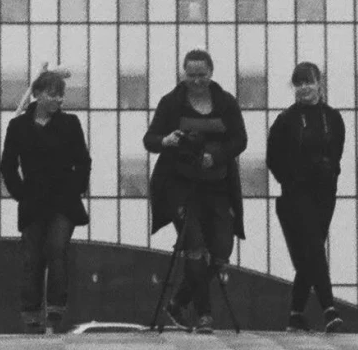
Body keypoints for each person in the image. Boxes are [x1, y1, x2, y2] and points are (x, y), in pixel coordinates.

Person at [143, 49, 248, 331]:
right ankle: (204, 315)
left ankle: (178, 302)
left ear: (211, 72)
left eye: (202, 75)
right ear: (183, 74)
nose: (197, 81)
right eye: (191, 76)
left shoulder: (225, 102)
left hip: (217, 185)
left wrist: (217, 156)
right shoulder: (172, 103)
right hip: (180, 185)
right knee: (194, 248)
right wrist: (167, 140)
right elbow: (150, 139)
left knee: (220, 251)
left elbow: (240, 139)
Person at [0, 65, 92, 334]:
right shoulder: (18, 126)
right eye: (52, 95)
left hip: (64, 201)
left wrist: (75, 188)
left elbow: (83, 161)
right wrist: (20, 193)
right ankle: (31, 315)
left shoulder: (70, 123)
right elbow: (7, 165)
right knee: (33, 258)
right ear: (37, 95)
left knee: (57, 249)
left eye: (61, 95)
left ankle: (55, 311)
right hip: (33, 201)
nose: (58, 100)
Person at [267, 62, 347, 332]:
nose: (304, 88)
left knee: (310, 255)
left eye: (308, 82)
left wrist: (329, 172)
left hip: (324, 193)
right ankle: (329, 310)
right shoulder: (285, 120)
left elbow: (337, 153)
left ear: (319, 83)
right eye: (299, 83)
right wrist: (292, 178)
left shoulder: (333, 118)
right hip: (296, 193)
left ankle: (296, 313)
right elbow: (272, 159)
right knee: (313, 248)